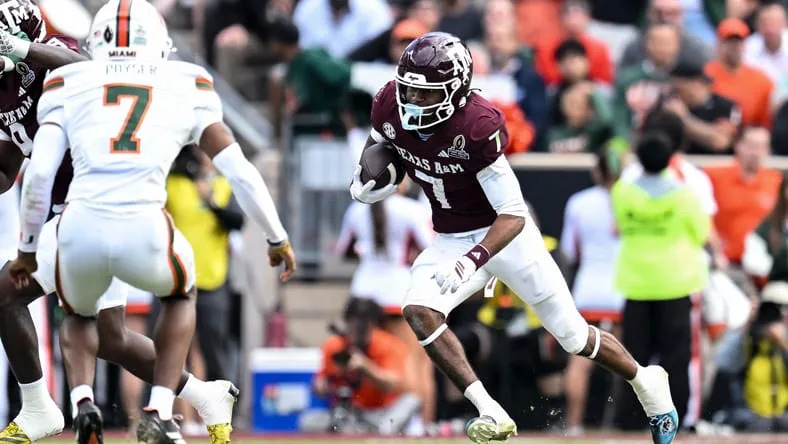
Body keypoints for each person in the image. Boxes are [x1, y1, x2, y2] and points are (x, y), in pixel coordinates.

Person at [349, 32, 679, 444]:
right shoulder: (388, 102)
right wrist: (366, 178)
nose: (412, 101)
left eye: (425, 93)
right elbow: (379, 146)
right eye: (409, 89)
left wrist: (472, 260)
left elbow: (514, 213)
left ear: (455, 92)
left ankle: (647, 383)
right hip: (450, 236)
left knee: (573, 335)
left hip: (503, 237)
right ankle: (492, 412)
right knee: (418, 310)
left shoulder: (478, 124)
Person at [8, 1, 296, 443]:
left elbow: (80, 68)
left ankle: (47, 405)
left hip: (77, 216)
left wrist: (21, 50)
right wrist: (277, 236)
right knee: (115, 337)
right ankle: (192, 398)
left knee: (23, 299)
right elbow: (10, 168)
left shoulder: (64, 69)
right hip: (114, 218)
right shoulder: (183, 83)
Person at [611, 131, 711, 432]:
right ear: (670, 158)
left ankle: (631, 420)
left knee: (633, 357)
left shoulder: (622, 192)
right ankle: (676, 420)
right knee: (676, 357)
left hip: (637, 281)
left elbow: (621, 226)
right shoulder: (685, 194)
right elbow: (701, 234)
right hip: (676, 281)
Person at [336, 179, 435, 428]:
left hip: (363, 296)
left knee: (371, 364)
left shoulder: (357, 209)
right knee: (416, 364)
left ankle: (369, 423)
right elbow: (432, 249)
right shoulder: (412, 209)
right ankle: (418, 428)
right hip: (399, 293)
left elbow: (343, 249)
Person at [560, 146, 625, 435]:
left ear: (596, 171)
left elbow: (568, 251)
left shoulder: (579, 202)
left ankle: (573, 424)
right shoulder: (631, 200)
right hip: (622, 290)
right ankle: (624, 424)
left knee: (579, 360)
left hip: (588, 289)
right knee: (625, 361)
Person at [313, 298, 421, 435]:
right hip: (352, 414)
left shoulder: (389, 344)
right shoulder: (335, 346)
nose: (358, 330)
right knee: (309, 422)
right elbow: (321, 385)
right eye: (353, 324)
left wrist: (365, 366)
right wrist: (329, 380)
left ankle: (381, 433)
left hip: (384, 412)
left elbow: (391, 385)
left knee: (412, 401)